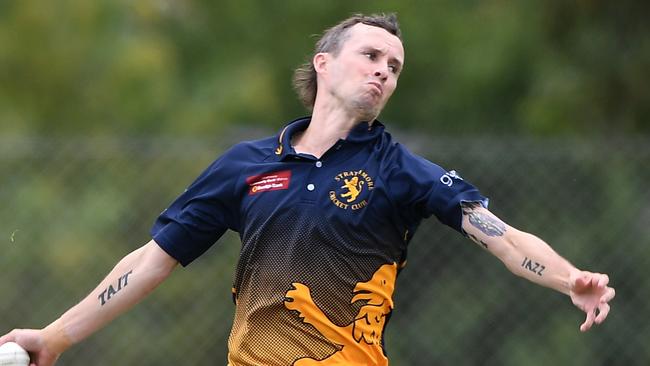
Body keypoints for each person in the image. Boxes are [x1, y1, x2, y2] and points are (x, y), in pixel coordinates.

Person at [0, 13, 615, 366]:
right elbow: (150, 263)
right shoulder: (243, 167)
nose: (384, 71)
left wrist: (569, 280)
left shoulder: (402, 172)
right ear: (323, 63)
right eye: (371, 54)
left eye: (394, 66)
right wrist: (53, 337)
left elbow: (502, 239)